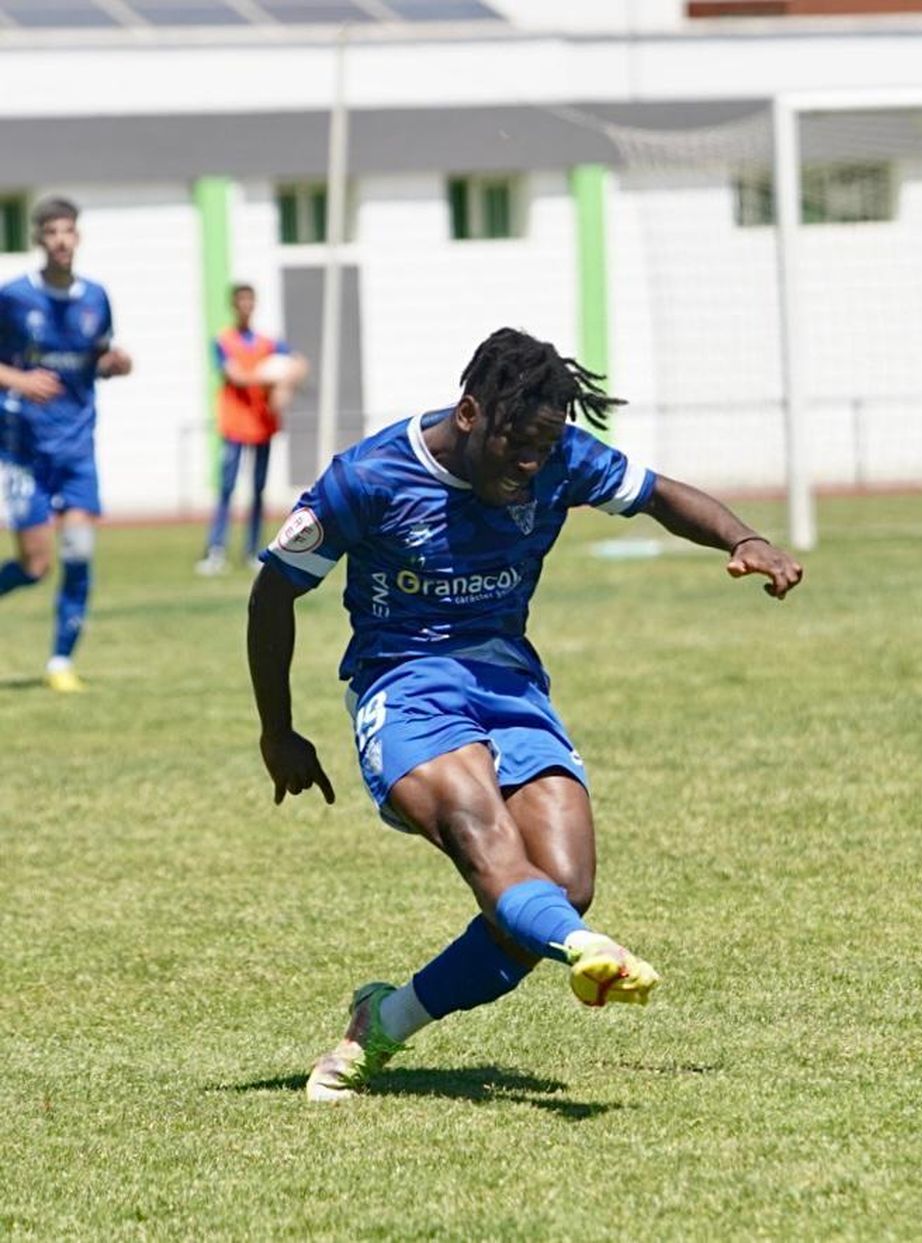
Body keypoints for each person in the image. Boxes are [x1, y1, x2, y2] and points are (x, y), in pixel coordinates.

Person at [248, 327, 803, 1101]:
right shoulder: (369, 478)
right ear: (470, 412)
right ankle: (588, 947)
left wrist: (746, 538)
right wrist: (278, 729)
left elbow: (661, 494)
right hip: (403, 682)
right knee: (486, 840)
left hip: (508, 682)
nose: (532, 464)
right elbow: (275, 589)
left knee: (561, 885)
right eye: (519, 444)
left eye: (545, 446)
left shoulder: (556, 454)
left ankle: (387, 1018)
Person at [0, 197, 133, 692]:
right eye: (51, 231)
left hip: (77, 448)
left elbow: (94, 356)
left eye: (68, 231)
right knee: (36, 565)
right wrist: (18, 379)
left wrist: (114, 364)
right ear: (39, 239)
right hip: (22, 449)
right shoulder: (13, 297)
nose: (60, 240)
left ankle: (60, 662)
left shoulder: (96, 297)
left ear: (78, 238)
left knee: (78, 553)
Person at [196, 282, 307, 575]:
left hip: (262, 425)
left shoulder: (268, 343)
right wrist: (269, 375)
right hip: (235, 424)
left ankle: (251, 550)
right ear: (234, 305)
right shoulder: (223, 341)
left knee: (258, 490)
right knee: (227, 488)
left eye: (250, 301)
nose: (246, 306)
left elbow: (298, 365)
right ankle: (215, 549)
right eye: (241, 301)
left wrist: (286, 382)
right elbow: (236, 377)